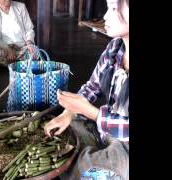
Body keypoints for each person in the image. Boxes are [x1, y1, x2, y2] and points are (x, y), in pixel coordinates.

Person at [44, 0, 129, 179]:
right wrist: (69, 113)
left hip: (125, 144)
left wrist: (92, 113)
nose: (105, 16)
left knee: (85, 168)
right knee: (63, 135)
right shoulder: (114, 48)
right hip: (104, 131)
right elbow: (91, 87)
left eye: (114, 8)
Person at [0, 0, 35, 67]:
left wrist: (29, 43)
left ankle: (11, 64)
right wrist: (8, 49)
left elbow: (29, 29)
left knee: (34, 53)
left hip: (21, 47)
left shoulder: (21, 7)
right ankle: (19, 64)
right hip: (4, 48)